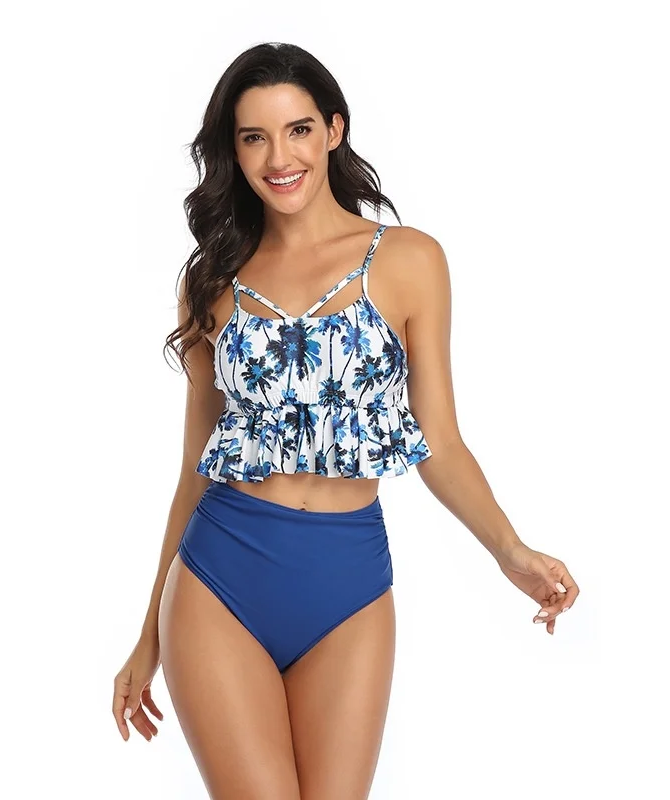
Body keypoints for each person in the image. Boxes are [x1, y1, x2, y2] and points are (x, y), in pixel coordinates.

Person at [112, 41, 579, 799]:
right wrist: (147, 639)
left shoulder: (409, 261)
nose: (279, 158)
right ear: (234, 150)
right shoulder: (211, 283)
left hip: (351, 584)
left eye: (298, 129)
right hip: (219, 580)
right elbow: (193, 472)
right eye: (254, 137)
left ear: (333, 129)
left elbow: (440, 441)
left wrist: (509, 549)